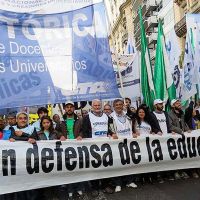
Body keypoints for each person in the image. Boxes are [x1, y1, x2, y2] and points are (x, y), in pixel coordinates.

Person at [81, 99, 114, 197]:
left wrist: (112, 134)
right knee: (94, 167)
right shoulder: (87, 117)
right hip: (93, 146)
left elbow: (110, 129)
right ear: (92, 106)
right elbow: (85, 131)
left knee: (106, 166)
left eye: (99, 105)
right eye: (95, 105)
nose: (97, 107)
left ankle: (105, 185)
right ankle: (94, 187)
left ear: (101, 106)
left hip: (105, 145)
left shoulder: (107, 116)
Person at [110, 99, 137, 192]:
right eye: (116, 105)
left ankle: (130, 181)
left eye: (120, 104)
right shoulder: (111, 117)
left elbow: (132, 125)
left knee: (129, 162)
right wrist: (112, 133)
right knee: (118, 163)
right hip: (117, 144)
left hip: (128, 142)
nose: (118, 106)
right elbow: (110, 128)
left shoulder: (128, 115)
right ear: (113, 106)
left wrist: (133, 132)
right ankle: (118, 183)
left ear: (123, 105)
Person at [62, 101, 86, 200]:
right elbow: (57, 131)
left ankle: (79, 187)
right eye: (67, 107)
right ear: (64, 109)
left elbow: (83, 130)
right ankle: (70, 189)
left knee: (78, 168)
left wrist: (80, 135)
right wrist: (61, 135)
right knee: (68, 169)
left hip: (77, 146)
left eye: (71, 107)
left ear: (73, 108)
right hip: (66, 148)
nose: (69, 109)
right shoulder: (61, 121)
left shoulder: (80, 120)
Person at [150, 99, 174, 182]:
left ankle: (167, 173)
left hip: (167, 138)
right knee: (158, 157)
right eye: (159, 104)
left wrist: (171, 131)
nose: (162, 105)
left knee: (167, 156)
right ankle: (158, 174)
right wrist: (156, 131)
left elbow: (168, 125)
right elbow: (151, 126)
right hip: (157, 140)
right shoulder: (151, 114)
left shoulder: (165, 113)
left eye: (162, 104)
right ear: (155, 105)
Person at [168, 99, 190, 180]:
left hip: (182, 137)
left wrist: (187, 129)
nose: (179, 104)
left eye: (179, 103)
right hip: (175, 138)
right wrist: (180, 131)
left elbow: (183, 123)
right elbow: (170, 126)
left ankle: (182, 170)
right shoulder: (169, 114)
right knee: (176, 154)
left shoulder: (181, 113)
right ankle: (175, 171)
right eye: (177, 103)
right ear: (173, 105)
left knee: (183, 153)